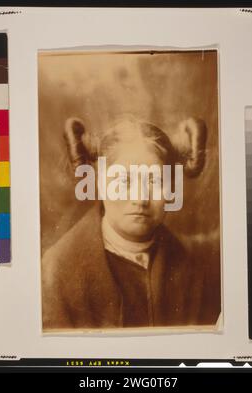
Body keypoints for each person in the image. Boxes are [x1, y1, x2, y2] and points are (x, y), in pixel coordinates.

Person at [41, 115, 221, 331]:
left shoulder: (194, 264)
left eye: (154, 180)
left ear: (171, 188)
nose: (140, 198)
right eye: (124, 181)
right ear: (99, 181)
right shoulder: (58, 272)